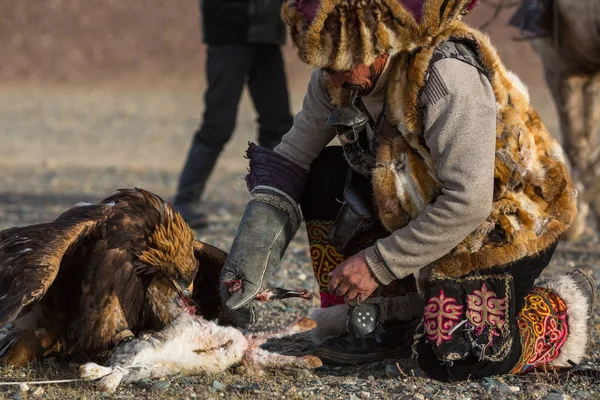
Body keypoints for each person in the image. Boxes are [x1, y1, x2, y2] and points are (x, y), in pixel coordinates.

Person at [218, 0, 595, 382]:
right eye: (326, 67)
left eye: (340, 65)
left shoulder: (445, 77)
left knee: (457, 355)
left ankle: (560, 308)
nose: (332, 79)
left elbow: (468, 201)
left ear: (377, 49)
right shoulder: (338, 76)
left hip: (504, 221)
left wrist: (378, 263)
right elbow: (291, 160)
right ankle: (375, 321)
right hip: (420, 204)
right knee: (324, 173)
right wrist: (243, 266)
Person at [173, 0, 294, 228]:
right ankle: (185, 199)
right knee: (218, 125)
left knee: (278, 125)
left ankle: (272, 203)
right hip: (229, 35)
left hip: (268, 37)